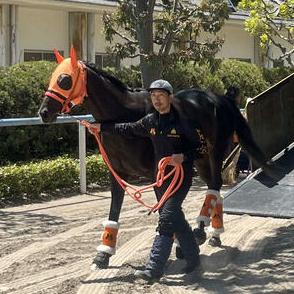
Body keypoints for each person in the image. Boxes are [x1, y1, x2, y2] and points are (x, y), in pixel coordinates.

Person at [90, 79, 200, 281]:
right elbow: (126, 128)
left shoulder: (183, 122)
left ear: (170, 97)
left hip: (180, 179)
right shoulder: (150, 121)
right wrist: (100, 127)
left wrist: (183, 157)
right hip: (161, 179)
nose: (157, 100)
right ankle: (194, 259)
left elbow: (200, 149)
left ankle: (154, 269)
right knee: (176, 219)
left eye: (161, 96)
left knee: (166, 219)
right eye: (153, 96)